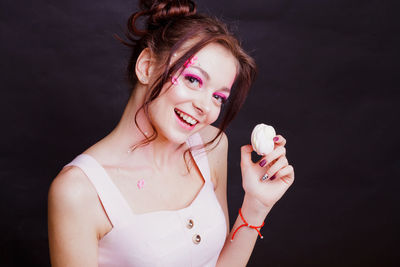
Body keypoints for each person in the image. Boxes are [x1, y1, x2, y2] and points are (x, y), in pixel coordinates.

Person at [47, 0, 295, 266]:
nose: (204, 107)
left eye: (218, 97)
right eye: (193, 79)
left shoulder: (211, 146)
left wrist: (256, 204)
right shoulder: (78, 191)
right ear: (146, 66)